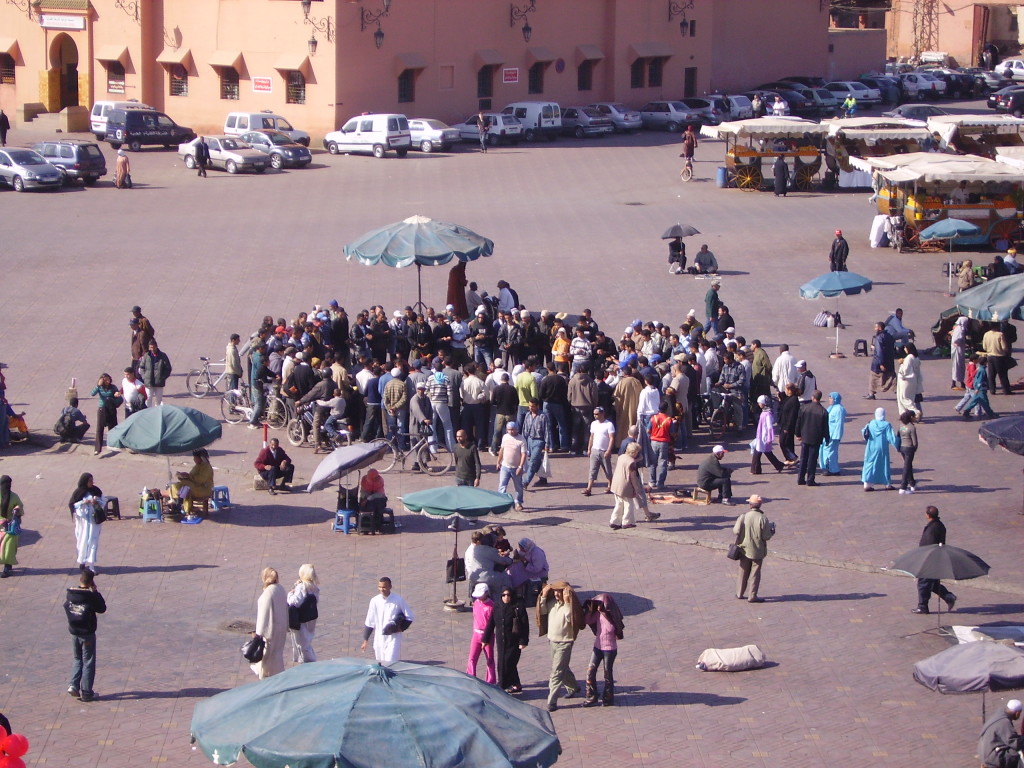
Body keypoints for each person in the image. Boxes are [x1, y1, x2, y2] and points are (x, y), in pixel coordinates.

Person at [537, 581, 584, 712]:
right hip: (552, 641)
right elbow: (542, 611)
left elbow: (572, 619)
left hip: (565, 643)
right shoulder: (552, 603)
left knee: (556, 672)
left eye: (560, 592)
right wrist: (544, 595)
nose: (557, 594)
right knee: (562, 667)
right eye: (556, 591)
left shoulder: (568, 607)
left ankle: (551, 701)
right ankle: (574, 686)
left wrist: (568, 601)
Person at [64, 568, 106, 702]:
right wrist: (96, 592)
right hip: (87, 633)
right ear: (91, 582)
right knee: (88, 661)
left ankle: (73, 685)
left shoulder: (71, 594)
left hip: (74, 631)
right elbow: (102, 608)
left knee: (77, 659)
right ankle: (87, 692)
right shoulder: (90, 596)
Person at [582, 593, 625, 707]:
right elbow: (587, 620)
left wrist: (605, 613)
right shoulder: (597, 615)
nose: (600, 607)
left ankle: (608, 698)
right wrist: (591, 610)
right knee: (590, 670)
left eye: (602, 604)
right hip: (597, 647)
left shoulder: (612, 616)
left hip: (609, 649)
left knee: (607, 672)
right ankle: (591, 697)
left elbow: (613, 629)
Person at [361, 576, 414, 665]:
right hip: (379, 638)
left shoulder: (398, 600)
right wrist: (365, 640)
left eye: (384, 587)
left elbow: (410, 617)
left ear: (390, 587)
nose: (382, 589)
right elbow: (370, 621)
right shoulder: (374, 601)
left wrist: (400, 629)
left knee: (390, 662)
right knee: (380, 663)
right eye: (380, 587)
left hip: (393, 637)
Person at [732, 494, 774, 603]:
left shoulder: (743, 516)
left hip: (744, 549)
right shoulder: (763, 518)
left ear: (750, 505)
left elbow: (736, 531)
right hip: (758, 551)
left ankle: (739, 593)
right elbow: (766, 536)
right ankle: (752, 596)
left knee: (743, 571)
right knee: (755, 574)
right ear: (760, 505)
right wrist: (771, 531)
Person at [252, 567, 288, 678]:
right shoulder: (281, 589)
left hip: (269, 632)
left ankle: (267, 678)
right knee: (277, 655)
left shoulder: (267, 594)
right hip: (281, 629)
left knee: (267, 658)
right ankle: (279, 675)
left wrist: (258, 635)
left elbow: (263, 617)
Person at [495, 587, 530, 694]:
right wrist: (485, 639)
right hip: (501, 642)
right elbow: (491, 623)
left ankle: (503, 685)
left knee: (508, 663)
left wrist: (523, 641)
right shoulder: (497, 606)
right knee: (504, 663)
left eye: (508, 595)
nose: (506, 597)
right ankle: (516, 684)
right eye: (504, 595)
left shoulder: (518, 607)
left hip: (514, 642)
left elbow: (525, 625)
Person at [69, 473, 103, 572]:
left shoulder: (96, 491)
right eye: (90, 481)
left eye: (92, 480)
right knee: (82, 542)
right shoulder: (78, 492)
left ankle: (91, 566)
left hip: (93, 523)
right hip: (83, 524)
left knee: (93, 543)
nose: (92, 483)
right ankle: (82, 561)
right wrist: (82, 503)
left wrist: (96, 501)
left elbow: (103, 501)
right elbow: (72, 505)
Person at [286, 563, 320, 663]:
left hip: (300, 619)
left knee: (301, 643)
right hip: (311, 618)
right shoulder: (314, 587)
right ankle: (307, 660)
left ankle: (308, 662)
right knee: (307, 640)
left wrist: (290, 593)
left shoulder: (302, 587)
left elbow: (294, 602)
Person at [795, 390, 829, 486]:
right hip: (816, 439)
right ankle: (810, 479)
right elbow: (825, 427)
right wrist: (827, 438)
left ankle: (800, 478)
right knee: (812, 460)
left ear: (812, 397)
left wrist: (798, 434)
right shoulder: (823, 411)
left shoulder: (804, 408)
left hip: (805, 437)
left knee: (803, 459)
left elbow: (799, 422)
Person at [168, 449, 214, 518]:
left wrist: (188, 476)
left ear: (201, 458)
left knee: (186, 488)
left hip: (204, 489)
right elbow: (192, 477)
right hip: (195, 486)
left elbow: (200, 480)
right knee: (175, 486)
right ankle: (178, 503)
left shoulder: (207, 467)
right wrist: (182, 476)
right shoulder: (197, 466)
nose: (194, 459)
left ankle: (186, 508)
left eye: (195, 457)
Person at [861, 407, 899, 491]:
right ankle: (887, 484)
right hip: (882, 447)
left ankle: (867, 484)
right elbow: (891, 437)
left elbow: (864, 432)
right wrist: (898, 445)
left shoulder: (871, 423)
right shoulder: (886, 425)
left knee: (869, 464)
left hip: (871, 446)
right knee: (884, 464)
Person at [465, 583, 496, 684]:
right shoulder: (476, 603)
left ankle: (490, 681)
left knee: (489, 659)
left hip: (487, 636)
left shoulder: (491, 606)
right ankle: (470, 678)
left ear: (487, 593)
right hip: (476, 634)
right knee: (472, 658)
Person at [978, 699, 1022, 768]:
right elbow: (1015, 743)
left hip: (984, 752)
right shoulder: (1005, 722)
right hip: (991, 758)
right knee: (1018, 754)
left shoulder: (999, 715)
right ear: (1017, 713)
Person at [609, 442, 643, 529]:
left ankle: (614, 521)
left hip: (616, 484)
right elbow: (633, 477)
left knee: (619, 503)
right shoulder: (632, 463)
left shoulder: (621, 457)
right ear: (634, 452)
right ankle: (627, 522)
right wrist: (636, 488)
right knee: (628, 504)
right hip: (625, 486)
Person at [583, 406, 615, 496]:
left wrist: (609, 450)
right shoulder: (593, 424)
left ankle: (610, 486)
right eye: (594, 414)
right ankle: (589, 488)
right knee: (592, 470)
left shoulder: (609, 424)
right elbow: (591, 437)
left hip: (604, 451)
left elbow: (611, 438)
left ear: (602, 414)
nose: (595, 416)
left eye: (597, 414)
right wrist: (589, 449)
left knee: (608, 470)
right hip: (595, 450)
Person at [496, 421, 526, 511]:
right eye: (509, 429)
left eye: (513, 429)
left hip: (516, 467)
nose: (511, 431)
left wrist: (520, 467)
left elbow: (523, 454)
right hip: (505, 466)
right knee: (502, 485)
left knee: (518, 487)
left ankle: (518, 502)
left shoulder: (521, 439)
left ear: (517, 429)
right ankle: (501, 502)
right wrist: (498, 462)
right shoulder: (505, 437)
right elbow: (502, 450)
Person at [750, 395, 784, 474]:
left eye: (760, 403)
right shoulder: (766, 412)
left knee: (758, 452)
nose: (759, 404)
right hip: (761, 435)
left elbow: (769, 426)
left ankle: (755, 470)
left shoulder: (767, 414)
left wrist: (769, 436)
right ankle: (778, 465)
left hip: (763, 436)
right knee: (766, 452)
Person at [959, 355, 999, 419]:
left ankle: (966, 411)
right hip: (981, 389)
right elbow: (980, 380)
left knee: (975, 401)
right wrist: (977, 388)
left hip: (979, 389)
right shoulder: (982, 370)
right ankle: (990, 414)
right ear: (985, 362)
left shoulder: (980, 369)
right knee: (984, 402)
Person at [90, 373, 121, 456]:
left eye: (108, 379)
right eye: (105, 380)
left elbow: (118, 395)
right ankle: (97, 448)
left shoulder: (113, 387)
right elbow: (92, 394)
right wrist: (98, 385)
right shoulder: (100, 387)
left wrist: (117, 395)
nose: (107, 381)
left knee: (112, 427)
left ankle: (113, 445)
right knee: (99, 428)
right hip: (102, 409)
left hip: (110, 408)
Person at [0, 475, 24, 578]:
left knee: (8, 548)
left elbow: (20, 509)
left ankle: (7, 567)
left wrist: (17, 510)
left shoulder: (14, 497)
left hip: (10, 527)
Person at [818, 392, 847, 476]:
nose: (829, 400)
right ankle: (825, 467)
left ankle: (832, 469)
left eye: (831, 398)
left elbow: (839, 423)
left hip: (833, 435)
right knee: (824, 450)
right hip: (827, 434)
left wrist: (836, 436)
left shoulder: (839, 409)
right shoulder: (831, 408)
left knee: (831, 452)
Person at [137, 339, 172, 406]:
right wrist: (145, 377)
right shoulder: (146, 356)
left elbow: (168, 368)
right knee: (148, 399)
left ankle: (157, 413)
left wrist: (163, 377)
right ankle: (149, 412)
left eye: (153, 347)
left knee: (159, 400)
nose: (152, 349)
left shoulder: (163, 355)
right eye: (150, 347)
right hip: (148, 382)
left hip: (159, 383)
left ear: (156, 346)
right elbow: (141, 368)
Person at [866, 321, 896, 400]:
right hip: (889, 361)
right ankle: (897, 391)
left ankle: (871, 393)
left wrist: (881, 363)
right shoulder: (889, 336)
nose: (874, 329)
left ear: (879, 328)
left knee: (873, 377)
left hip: (878, 362)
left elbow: (879, 351)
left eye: (875, 327)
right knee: (892, 377)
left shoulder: (879, 337)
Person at [983, 323, 1013, 396]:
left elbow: (984, 347)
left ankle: (992, 390)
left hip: (990, 356)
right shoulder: (1000, 335)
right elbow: (1004, 347)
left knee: (991, 374)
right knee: (1002, 374)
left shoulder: (986, 334)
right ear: (997, 326)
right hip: (999, 357)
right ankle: (1006, 390)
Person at [896, 343, 923, 420]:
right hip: (913, 381)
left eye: (905, 347)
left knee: (903, 398)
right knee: (910, 398)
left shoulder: (909, 357)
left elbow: (905, 370)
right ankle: (905, 415)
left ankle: (915, 411)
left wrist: (901, 365)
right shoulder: (916, 358)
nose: (904, 349)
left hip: (905, 380)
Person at [359, 468, 388, 534]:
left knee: (378, 505)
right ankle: (365, 527)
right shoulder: (364, 480)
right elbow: (363, 492)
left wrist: (368, 499)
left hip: (378, 498)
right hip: (367, 498)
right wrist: (365, 499)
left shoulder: (380, 480)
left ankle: (378, 526)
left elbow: (379, 494)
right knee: (365, 507)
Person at [897, 411, 918, 494]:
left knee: (908, 465)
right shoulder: (911, 427)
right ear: (911, 417)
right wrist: (914, 449)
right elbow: (915, 442)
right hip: (909, 448)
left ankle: (912, 484)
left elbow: (898, 436)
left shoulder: (901, 426)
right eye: (914, 416)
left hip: (902, 448)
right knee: (906, 467)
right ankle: (903, 487)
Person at [950, 316, 969, 390]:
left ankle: (959, 382)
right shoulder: (960, 329)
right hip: (958, 350)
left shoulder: (958, 328)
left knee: (958, 366)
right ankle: (957, 383)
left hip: (958, 350)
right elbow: (956, 340)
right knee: (958, 366)